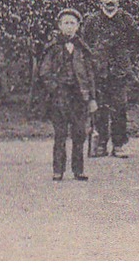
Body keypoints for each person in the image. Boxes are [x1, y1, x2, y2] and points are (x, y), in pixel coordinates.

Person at [79, 0, 139, 157]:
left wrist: (126, 59)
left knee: (119, 108)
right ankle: (101, 143)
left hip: (120, 73)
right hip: (98, 72)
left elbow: (136, 42)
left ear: (118, 0)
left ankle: (118, 144)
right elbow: (85, 44)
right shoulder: (92, 20)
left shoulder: (126, 19)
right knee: (99, 108)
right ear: (100, 0)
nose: (110, 1)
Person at [34, 9, 99, 181]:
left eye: (72, 23)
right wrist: (55, 88)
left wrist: (92, 98)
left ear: (78, 26)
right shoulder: (53, 48)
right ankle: (58, 170)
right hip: (59, 96)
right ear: (60, 26)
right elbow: (44, 73)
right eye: (66, 23)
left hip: (79, 96)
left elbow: (89, 75)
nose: (69, 27)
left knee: (79, 133)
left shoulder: (82, 48)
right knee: (60, 134)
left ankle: (78, 170)